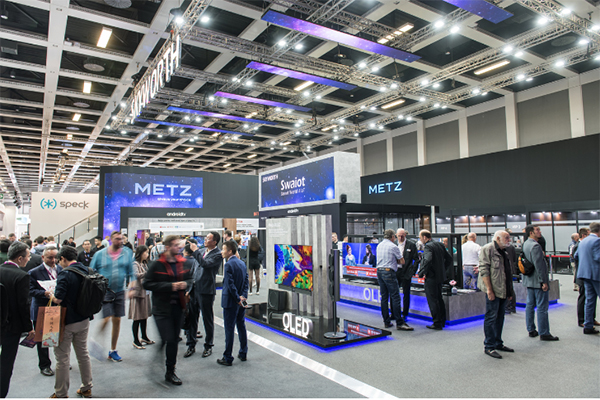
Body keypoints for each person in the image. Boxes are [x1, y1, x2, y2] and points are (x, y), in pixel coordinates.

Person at [143, 235, 193, 385]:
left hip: (178, 307)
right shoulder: (157, 264)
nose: (178, 247)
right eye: (175, 245)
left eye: (178, 245)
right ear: (167, 247)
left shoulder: (182, 263)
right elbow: (147, 283)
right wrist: (170, 286)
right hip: (161, 308)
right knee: (169, 338)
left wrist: (185, 284)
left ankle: (170, 371)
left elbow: (190, 279)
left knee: (173, 341)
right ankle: (164, 365)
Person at [48, 246, 93, 398]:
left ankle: (61, 393)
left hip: (66, 321)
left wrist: (50, 294)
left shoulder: (65, 274)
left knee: (62, 358)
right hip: (84, 318)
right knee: (83, 353)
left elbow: (58, 299)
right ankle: (87, 387)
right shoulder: (87, 270)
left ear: (62, 259)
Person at [90, 231, 135, 362]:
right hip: (105, 291)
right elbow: (91, 271)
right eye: (117, 239)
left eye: (121, 239)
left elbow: (132, 272)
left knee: (117, 320)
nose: (120, 241)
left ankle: (113, 350)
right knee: (106, 319)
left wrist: (132, 287)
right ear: (111, 240)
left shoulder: (126, 253)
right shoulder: (100, 254)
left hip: (120, 291)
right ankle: (95, 341)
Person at [0, 241, 35, 398]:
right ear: (20, 258)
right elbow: (23, 305)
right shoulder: (22, 276)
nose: (29, 259)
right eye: (28, 256)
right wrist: (29, 327)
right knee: (6, 363)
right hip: (11, 327)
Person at [479, 231, 515, 359]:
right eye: (506, 238)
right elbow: (484, 270)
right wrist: (489, 290)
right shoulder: (488, 249)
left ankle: (498, 342)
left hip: (503, 290)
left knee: (500, 317)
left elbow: (507, 272)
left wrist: (509, 291)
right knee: (491, 317)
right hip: (493, 290)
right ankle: (489, 346)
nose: (509, 240)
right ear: (498, 238)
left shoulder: (504, 251)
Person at [187, 232, 223, 358]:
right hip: (194, 289)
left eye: (208, 238)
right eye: (206, 238)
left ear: (215, 241)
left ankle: (208, 345)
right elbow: (194, 269)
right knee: (192, 318)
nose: (205, 240)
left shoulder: (218, 254)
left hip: (206, 290)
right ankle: (191, 344)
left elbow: (205, 264)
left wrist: (195, 251)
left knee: (207, 319)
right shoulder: (201, 251)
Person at [522, 225, 559, 341]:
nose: (540, 232)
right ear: (531, 232)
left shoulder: (525, 244)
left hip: (529, 280)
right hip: (538, 281)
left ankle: (531, 329)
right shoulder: (535, 246)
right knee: (542, 307)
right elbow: (539, 266)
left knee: (530, 305)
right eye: (537, 230)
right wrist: (543, 281)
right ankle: (544, 332)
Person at [28, 246, 61, 376]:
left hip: (57, 308)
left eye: (55, 257)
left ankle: (61, 361)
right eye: (49, 257)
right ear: (43, 257)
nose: (53, 260)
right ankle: (44, 365)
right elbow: (30, 291)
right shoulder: (34, 272)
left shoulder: (61, 270)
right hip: (41, 308)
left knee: (58, 336)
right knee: (42, 339)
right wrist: (44, 293)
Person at [217, 240, 249, 366]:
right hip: (241, 301)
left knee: (229, 329)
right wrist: (243, 297)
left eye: (223, 249)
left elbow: (230, 285)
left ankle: (228, 357)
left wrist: (237, 298)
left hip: (231, 302)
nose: (222, 252)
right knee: (241, 326)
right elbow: (246, 281)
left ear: (230, 251)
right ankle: (243, 352)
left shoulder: (228, 265)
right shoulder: (242, 263)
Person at [376, 230, 413, 331]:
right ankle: (399, 323)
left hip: (379, 271)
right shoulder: (393, 246)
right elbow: (402, 261)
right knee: (395, 297)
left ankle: (386, 321)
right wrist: (393, 260)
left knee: (384, 297)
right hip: (389, 272)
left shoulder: (379, 245)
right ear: (392, 237)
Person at [419, 230, 452, 330]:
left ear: (425, 237)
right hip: (440, 276)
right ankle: (442, 320)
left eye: (420, 238)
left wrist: (422, 272)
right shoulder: (440, 244)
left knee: (432, 300)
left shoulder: (428, 246)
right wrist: (443, 269)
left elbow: (427, 260)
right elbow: (449, 259)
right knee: (439, 298)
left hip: (431, 277)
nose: (420, 240)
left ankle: (437, 322)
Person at [574, 222, 600, 335]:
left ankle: (588, 326)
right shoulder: (597, 241)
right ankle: (589, 324)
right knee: (590, 300)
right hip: (596, 275)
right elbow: (598, 257)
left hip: (585, 275)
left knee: (589, 301)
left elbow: (576, 256)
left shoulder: (583, 241)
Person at [128, 245, 154, 349]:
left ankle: (144, 337)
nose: (147, 254)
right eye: (146, 252)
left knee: (144, 316)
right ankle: (135, 340)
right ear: (140, 253)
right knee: (137, 318)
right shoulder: (135, 264)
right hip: (138, 293)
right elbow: (136, 275)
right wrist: (148, 273)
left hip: (145, 292)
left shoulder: (144, 263)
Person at [182, 241, 201, 358]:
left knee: (186, 316)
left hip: (184, 293)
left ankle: (189, 339)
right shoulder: (196, 261)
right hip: (193, 293)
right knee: (193, 318)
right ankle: (191, 338)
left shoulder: (181, 262)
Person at [395, 229, 418, 321]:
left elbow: (416, 259)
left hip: (406, 272)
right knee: (394, 293)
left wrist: (412, 271)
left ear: (405, 235)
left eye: (402, 236)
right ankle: (395, 313)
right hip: (396, 271)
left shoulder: (411, 245)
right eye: (399, 236)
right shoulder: (394, 244)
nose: (401, 237)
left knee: (406, 294)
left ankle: (405, 314)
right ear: (396, 235)